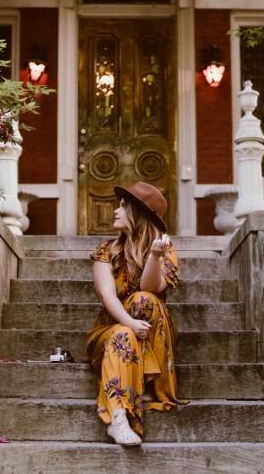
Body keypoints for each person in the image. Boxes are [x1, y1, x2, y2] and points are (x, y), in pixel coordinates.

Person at [86, 181, 187, 446]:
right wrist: (129, 322)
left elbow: (150, 288)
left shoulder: (165, 251)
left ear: (138, 214)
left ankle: (143, 387)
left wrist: (154, 256)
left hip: (151, 330)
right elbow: (107, 295)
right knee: (122, 333)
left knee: (146, 300)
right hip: (108, 333)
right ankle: (118, 419)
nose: (116, 210)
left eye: (123, 206)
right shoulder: (105, 251)